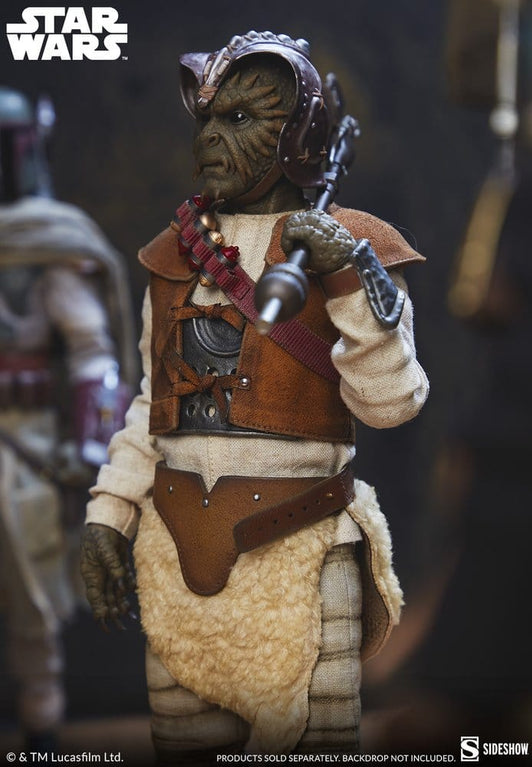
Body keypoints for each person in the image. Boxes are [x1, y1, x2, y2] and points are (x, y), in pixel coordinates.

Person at [81, 31, 429, 760]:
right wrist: (110, 514)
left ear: (298, 136)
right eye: (207, 119)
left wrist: (348, 278)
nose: (210, 137)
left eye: (238, 119)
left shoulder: (351, 246)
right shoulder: (175, 253)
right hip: (178, 562)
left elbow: (391, 405)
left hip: (301, 554)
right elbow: (152, 407)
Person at [0, 86, 136, 749]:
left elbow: (90, 350)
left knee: (30, 582)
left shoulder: (49, 246)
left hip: (26, 442)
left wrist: (92, 441)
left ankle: (41, 717)